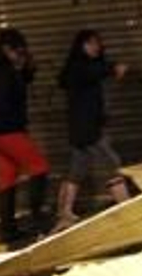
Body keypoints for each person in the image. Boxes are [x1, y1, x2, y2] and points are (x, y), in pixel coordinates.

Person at [0, 28, 49, 242]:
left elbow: (17, 85)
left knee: (7, 176)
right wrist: (16, 122)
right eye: (18, 51)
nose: (20, 55)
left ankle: (8, 230)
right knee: (39, 167)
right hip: (5, 129)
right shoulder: (1, 70)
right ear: (6, 49)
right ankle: (38, 221)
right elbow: (5, 97)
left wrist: (25, 70)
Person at [55, 29, 129, 230]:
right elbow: (93, 71)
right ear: (82, 46)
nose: (96, 47)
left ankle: (64, 212)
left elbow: (96, 71)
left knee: (77, 168)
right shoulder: (78, 67)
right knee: (112, 163)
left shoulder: (81, 67)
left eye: (97, 43)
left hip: (85, 126)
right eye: (91, 43)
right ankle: (127, 207)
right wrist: (113, 68)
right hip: (88, 128)